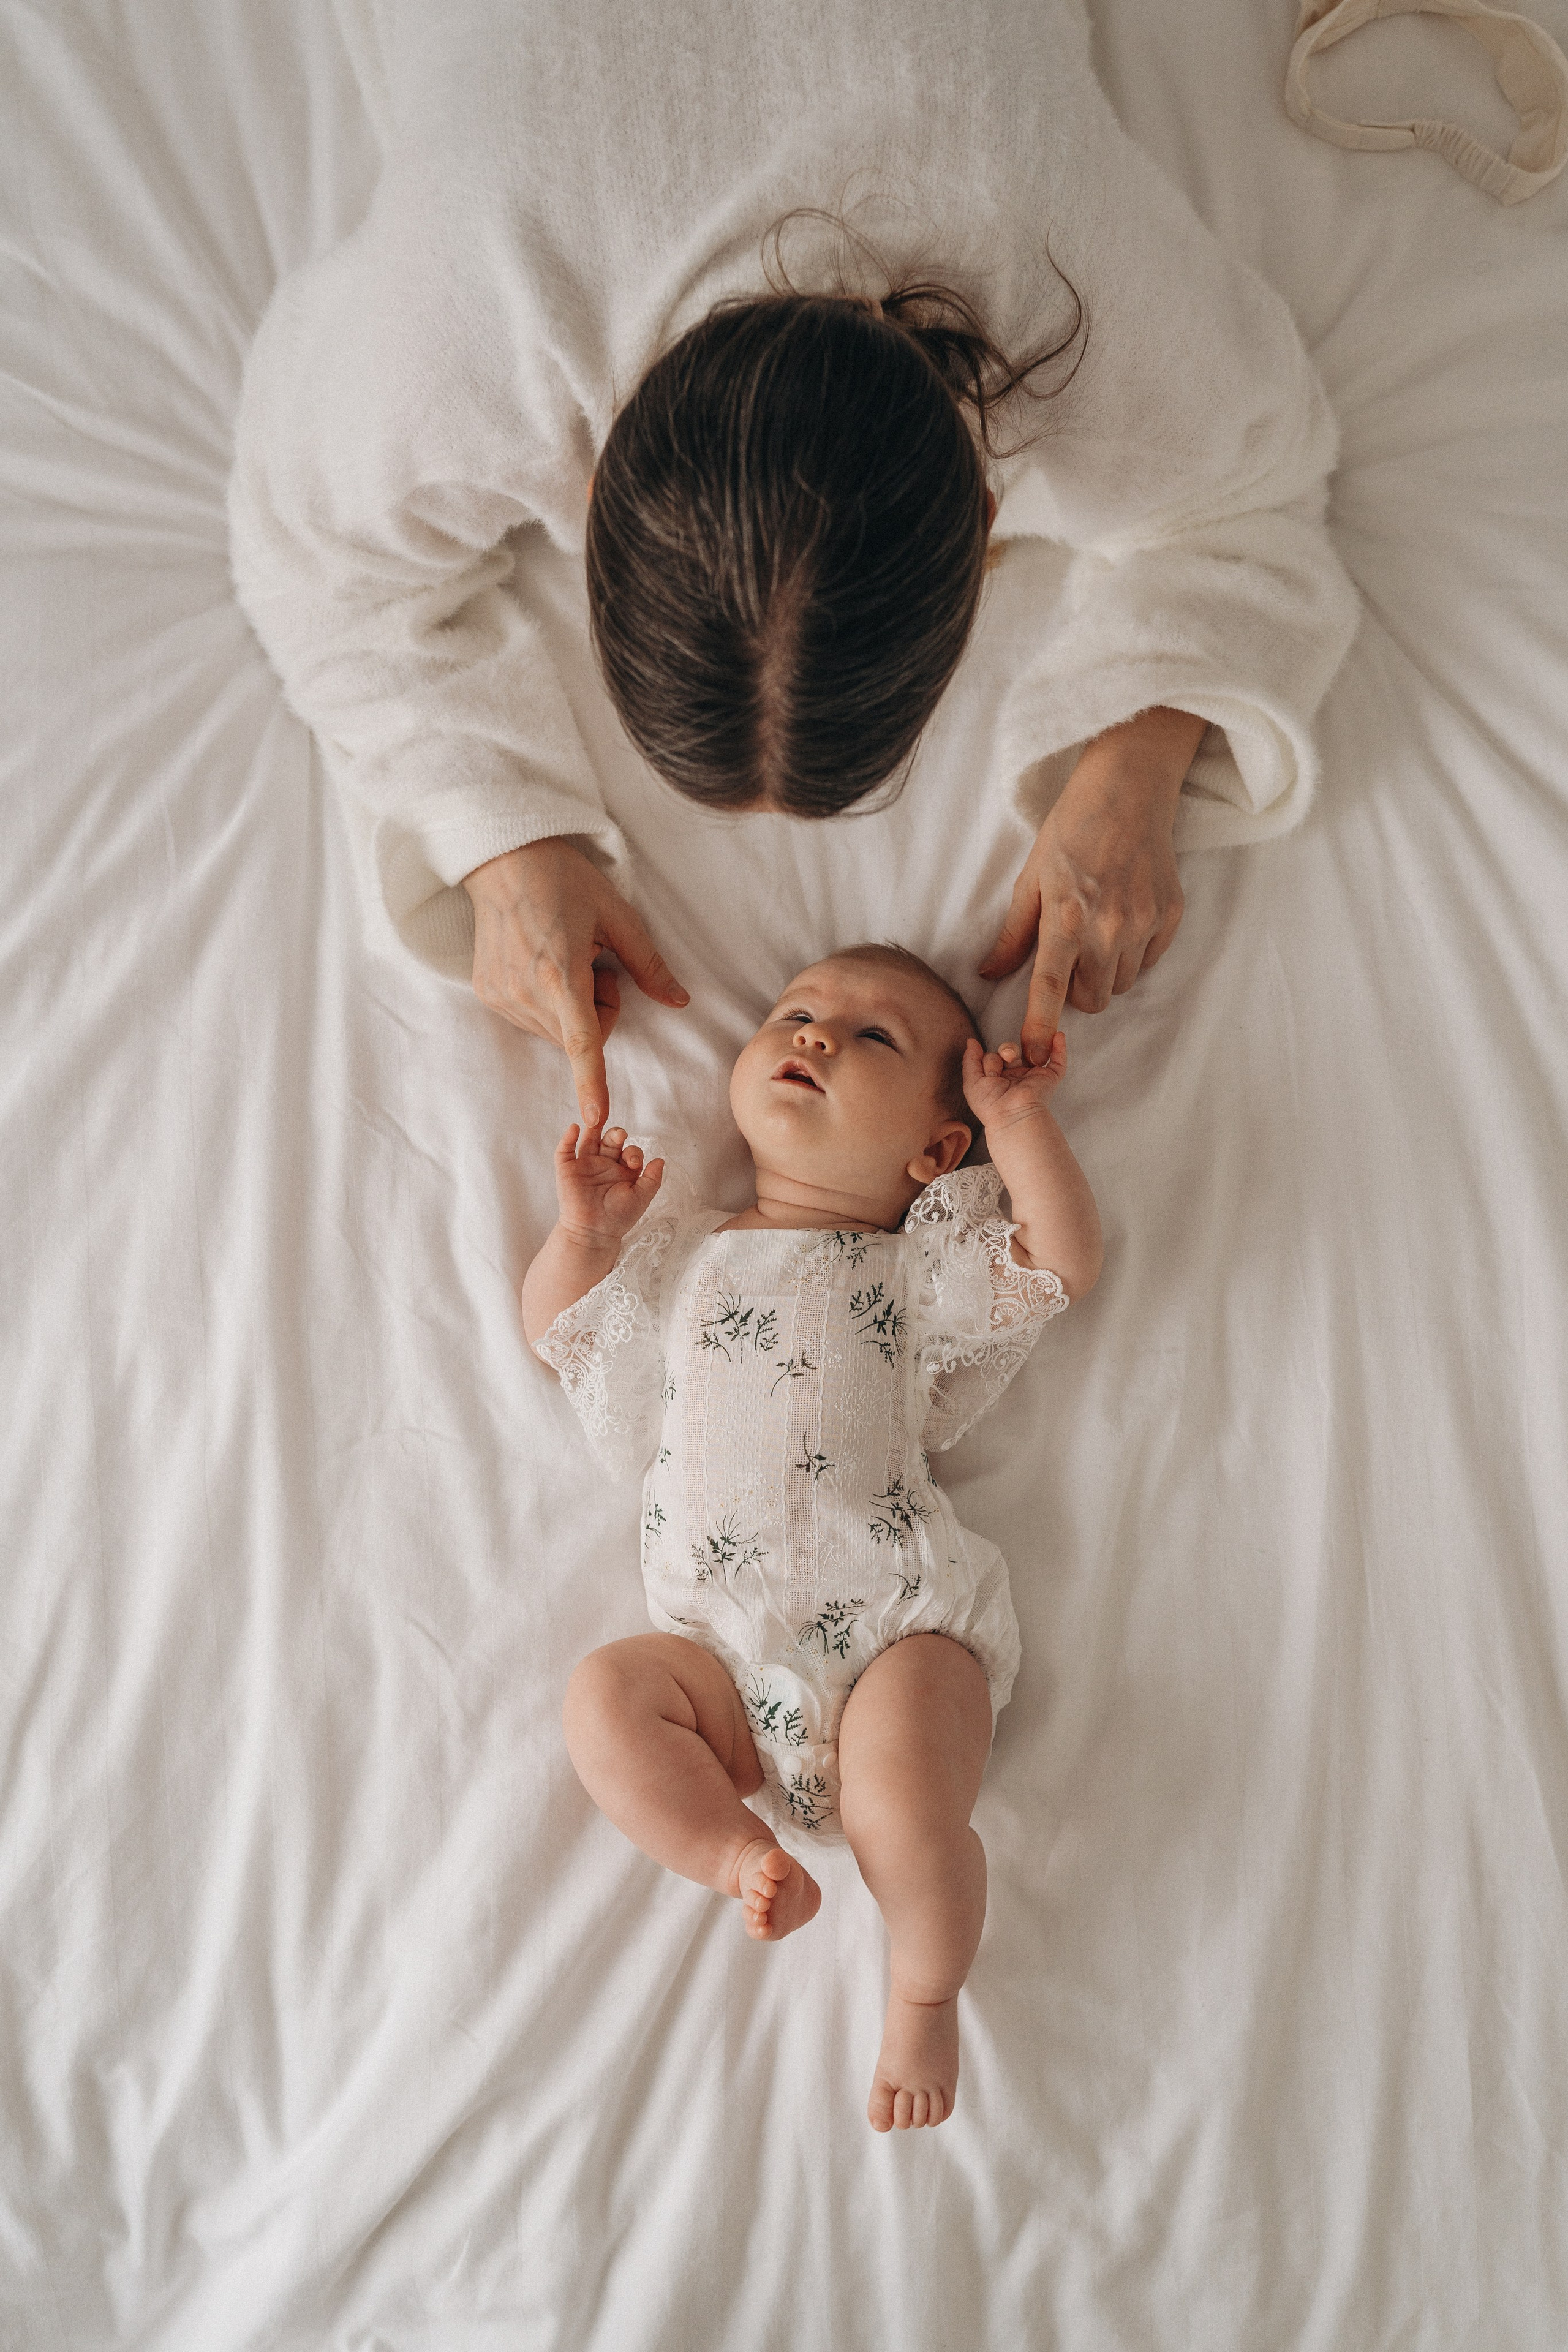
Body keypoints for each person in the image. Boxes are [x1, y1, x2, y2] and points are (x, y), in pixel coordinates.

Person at [228, 0, 1359, 1121]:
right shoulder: (468, 321)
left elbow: (1262, 478)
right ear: (586, 482)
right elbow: (308, 553)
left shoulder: (1069, 284)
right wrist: (495, 832)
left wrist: (1136, 767)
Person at [521, 944, 1102, 2130]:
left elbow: (1058, 1257)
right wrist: (585, 1236)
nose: (817, 1034)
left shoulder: (917, 1264)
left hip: (895, 1623)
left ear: (934, 1155)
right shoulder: (676, 1247)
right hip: (721, 1661)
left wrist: (1016, 1121)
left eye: (873, 1038)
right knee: (604, 1698)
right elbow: (568, 1334)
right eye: (796, 1012)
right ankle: (733, 1854)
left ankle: (925, 1987)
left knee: (901, 1811)